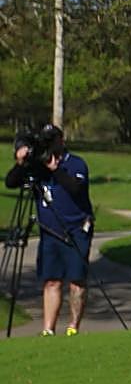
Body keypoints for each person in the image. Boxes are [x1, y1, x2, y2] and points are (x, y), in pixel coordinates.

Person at [4, 124, 94, 337]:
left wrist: (56, 171)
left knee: (76, 281)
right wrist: (21, 162)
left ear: (62, 141)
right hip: (49, 231)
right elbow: (11, 182)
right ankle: (48, 329)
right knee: (51, 280)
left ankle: (73, 327)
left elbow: (75, 188)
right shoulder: (38, 166)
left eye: (53, 139)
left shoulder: (75, 163)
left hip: (76, 229)